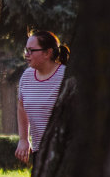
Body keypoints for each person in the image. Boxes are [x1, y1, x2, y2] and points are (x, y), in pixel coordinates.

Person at [15, 30, 70, 164]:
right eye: (26, 50)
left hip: (65, 152)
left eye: (31, 50)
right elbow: (21, 106)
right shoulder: (27, 76)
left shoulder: (65, 77)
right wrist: (23, 139)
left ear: (47, 53)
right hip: (39, 151)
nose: (27, 55)